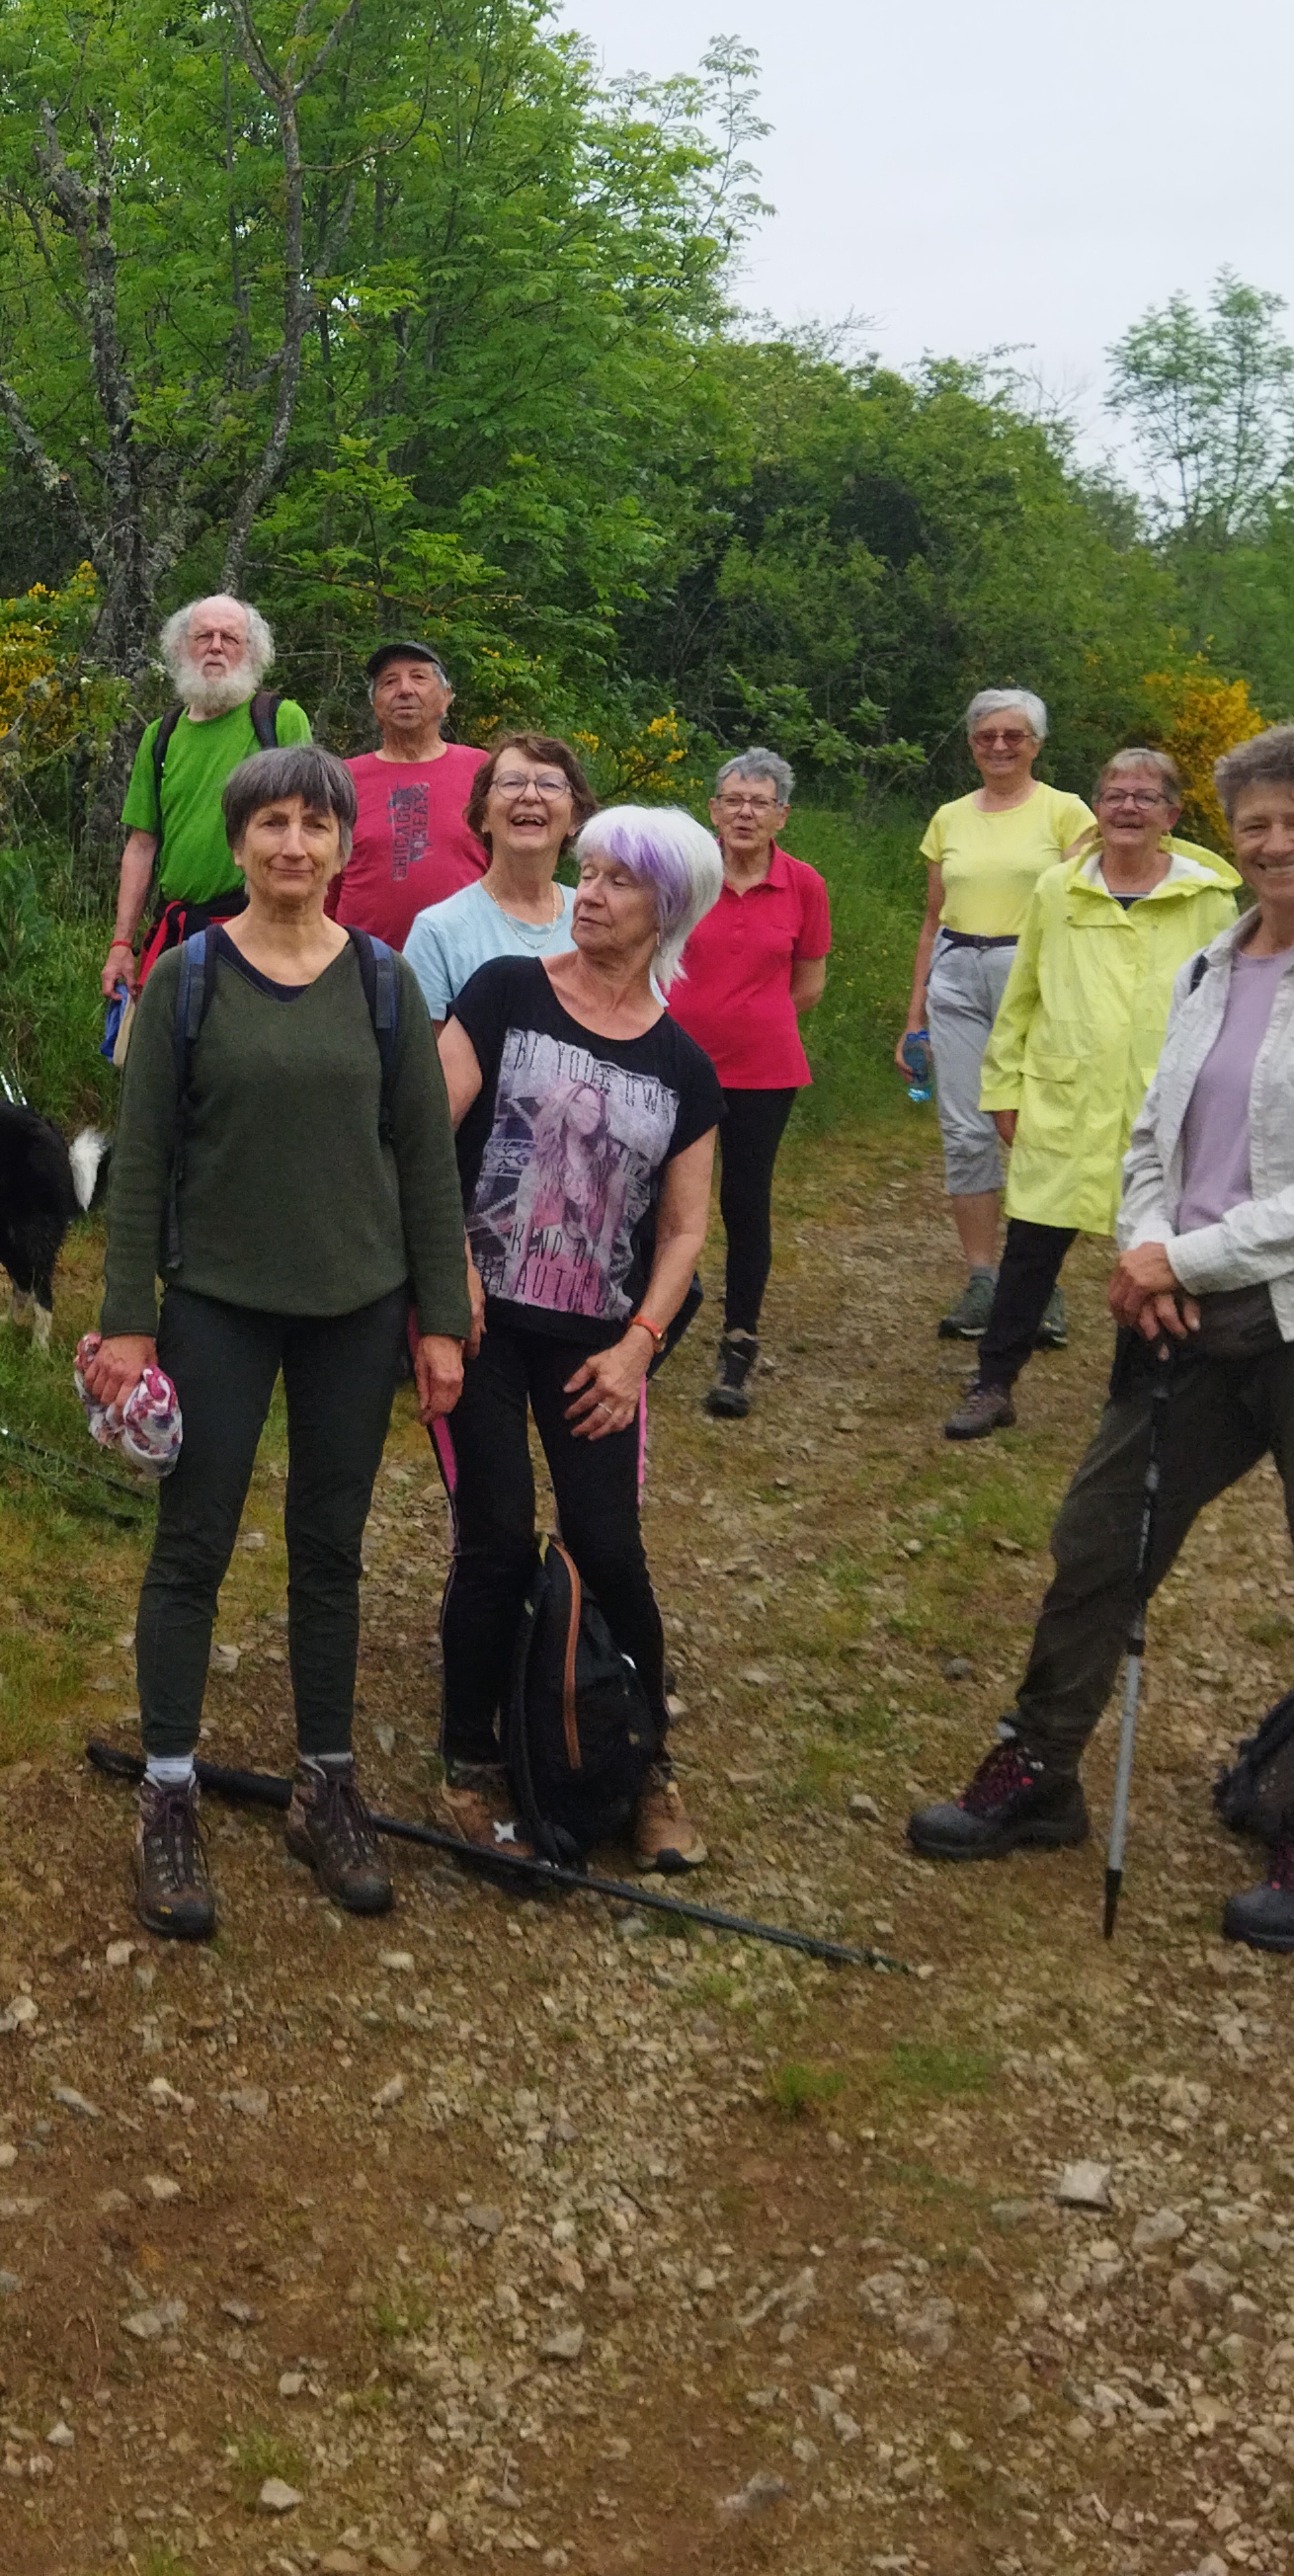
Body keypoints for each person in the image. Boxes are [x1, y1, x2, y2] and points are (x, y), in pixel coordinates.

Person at [907, 725, 1294, 1956]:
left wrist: (1180, 1257)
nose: (1274, 845)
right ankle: (1037, 1773)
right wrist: (1146, 1246)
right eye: (1254, 822)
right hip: (1192, 1321)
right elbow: (1154, 1134)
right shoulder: (1211, 966)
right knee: (1098, 1538)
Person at [87, 743, 470, 1941]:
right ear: (240, 844)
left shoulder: (383, 985)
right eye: (270, 826)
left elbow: (423, 1159)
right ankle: (165, 1795)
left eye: (314, 825)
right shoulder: (187, 982)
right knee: (191, 1547)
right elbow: (140, 1160)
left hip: (356, 1307)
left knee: (330, 1548)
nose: (292, 846)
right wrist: (128, 1321)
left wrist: (442, 1322)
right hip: (216, 1305)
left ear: (344, 846)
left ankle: (326, 1782)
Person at [431, 804, 727, 1873]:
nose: (588, 893)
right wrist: (447, 1266)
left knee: (609, 1548)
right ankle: (469, 1765)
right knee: (497, 1535)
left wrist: (641, 1343)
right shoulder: (505, 993)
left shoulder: (684, 1064)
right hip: (480, 1324)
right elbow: (422, 1128)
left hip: (599, 1342)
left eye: (617, 882)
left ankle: (646, 1770)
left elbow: (688, 1228)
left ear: (667, 911)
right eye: (588, 873)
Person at [943, 751, 1237, 1439]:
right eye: (1114, 795)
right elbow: (1024, 995)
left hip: (1164, 1105)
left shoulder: (1210, 900)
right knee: (1033, 1248)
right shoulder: (1057, 889)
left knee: (1158, 1252)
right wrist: (1003, 1085)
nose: (1127, 808)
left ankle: (1138, 1400)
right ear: (1096, 808)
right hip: (1065, 1097)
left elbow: (1230, 1004)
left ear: (1172, 813)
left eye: (1144, 796)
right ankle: (993, 1382)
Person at [897, 689, 1096, 1340]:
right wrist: (914, 1017)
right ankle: (983, 1280)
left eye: (1014, 735)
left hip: (1032, 975)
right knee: (965, 1133)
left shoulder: (1067, 814)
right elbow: (932, 922)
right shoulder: (949, 819)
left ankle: (1039, 1284)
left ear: (1037, 744)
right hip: (956, 972)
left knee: (1035, 1130)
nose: (1000, 746)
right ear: (972, 744)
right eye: (987, 736)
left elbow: (1083, 912)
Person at [667, 748, 832, 1421]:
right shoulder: (682, 872)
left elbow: (810, 982)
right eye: (732, 799)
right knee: (658, 1198)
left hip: (765, 1069)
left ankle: (739, 1343)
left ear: (781, 815)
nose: (743, 812)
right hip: (675, 1061)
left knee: (745, 1200)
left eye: (758, 802)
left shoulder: (805, 885)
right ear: (712, 808)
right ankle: (655, 1318)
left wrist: (752, 1018)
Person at [102, 594, 313, 1033]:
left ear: (251, 652)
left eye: (230, 638)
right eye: (203, 636)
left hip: (260, 933)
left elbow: (311, 833)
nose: (216, 647)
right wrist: (122, 943)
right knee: (166, 1068)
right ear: (181, 648)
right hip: (176, 936)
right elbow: (142, 846)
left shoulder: (281, 721)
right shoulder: (160, 736)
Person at [402, 733, 597, 1020]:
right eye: (511, 783)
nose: (530, 796)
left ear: (575, 819)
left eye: (550, 784)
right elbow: (427, 1060)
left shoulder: (597, 918)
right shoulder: (438, 932)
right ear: (482, 816)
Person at [326, 637, 488, 948]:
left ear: (445, 697)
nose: (404, 690)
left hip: (466, 957)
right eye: (389, 682)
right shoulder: (342, 777)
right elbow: (324, 876)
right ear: (375, 706)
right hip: (363, 962)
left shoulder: (481, 769)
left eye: (419, 677)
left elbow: (506, 863)